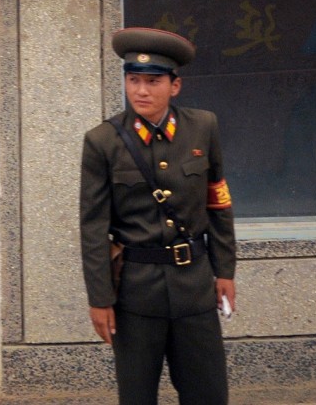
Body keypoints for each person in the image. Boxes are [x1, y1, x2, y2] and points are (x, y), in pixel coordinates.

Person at [79, 27, 236, 405]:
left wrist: (225, 270)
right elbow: (93, 226)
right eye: (133, 80)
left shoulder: (203, 127)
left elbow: (218, 201)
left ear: (175, 86)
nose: (141, 91)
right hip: (136, 292)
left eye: (152, 81)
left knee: (208, 394)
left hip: (194, 285)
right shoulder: (102, 141)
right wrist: (99, 298)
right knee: (136, 396)